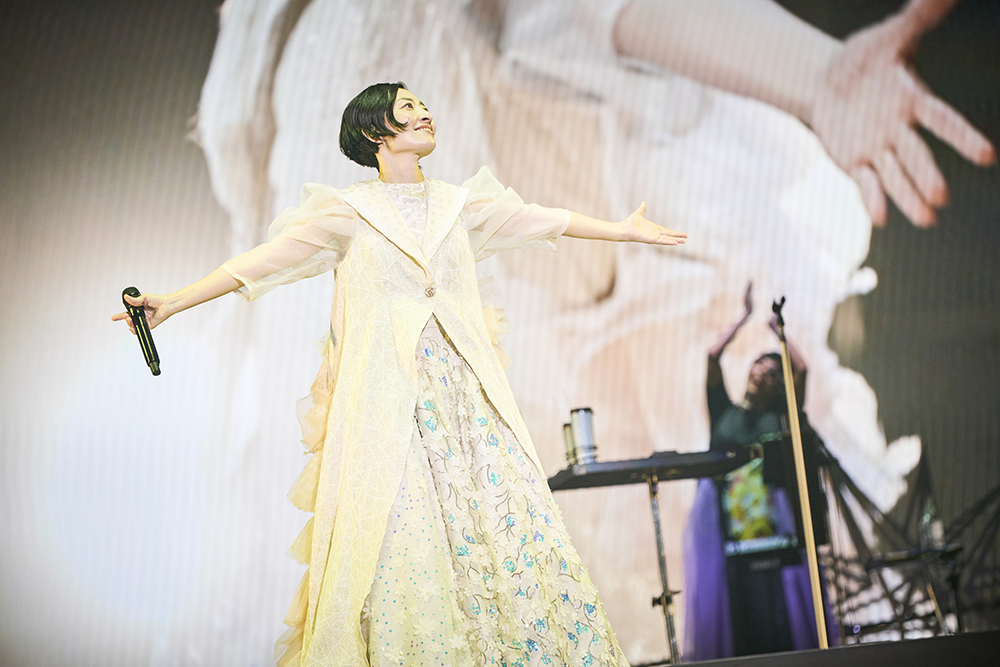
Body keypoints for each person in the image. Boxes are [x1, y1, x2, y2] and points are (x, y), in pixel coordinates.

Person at [114, 82, 686, 667]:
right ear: (374, 131)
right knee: (404, 539)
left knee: (501, 527)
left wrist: (622, 230)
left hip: (468, 407)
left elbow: (543, 219)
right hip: (390, 410)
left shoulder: (459, 205)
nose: (424, 114)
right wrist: (173, 302)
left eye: (423, 105)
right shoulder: (349, 212)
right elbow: (259, 264)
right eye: (408, 107)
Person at [683, 283, 834, 659]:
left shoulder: (779, 417)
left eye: (771, 372)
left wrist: (778, 331)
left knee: (780, 609)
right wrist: (743, 318)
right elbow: (712, 356)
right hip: (727, 522)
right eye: (759, 365)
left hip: (772, 522)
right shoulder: (724, 412)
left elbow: (801, 369)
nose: (762, 373)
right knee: (735, 609)